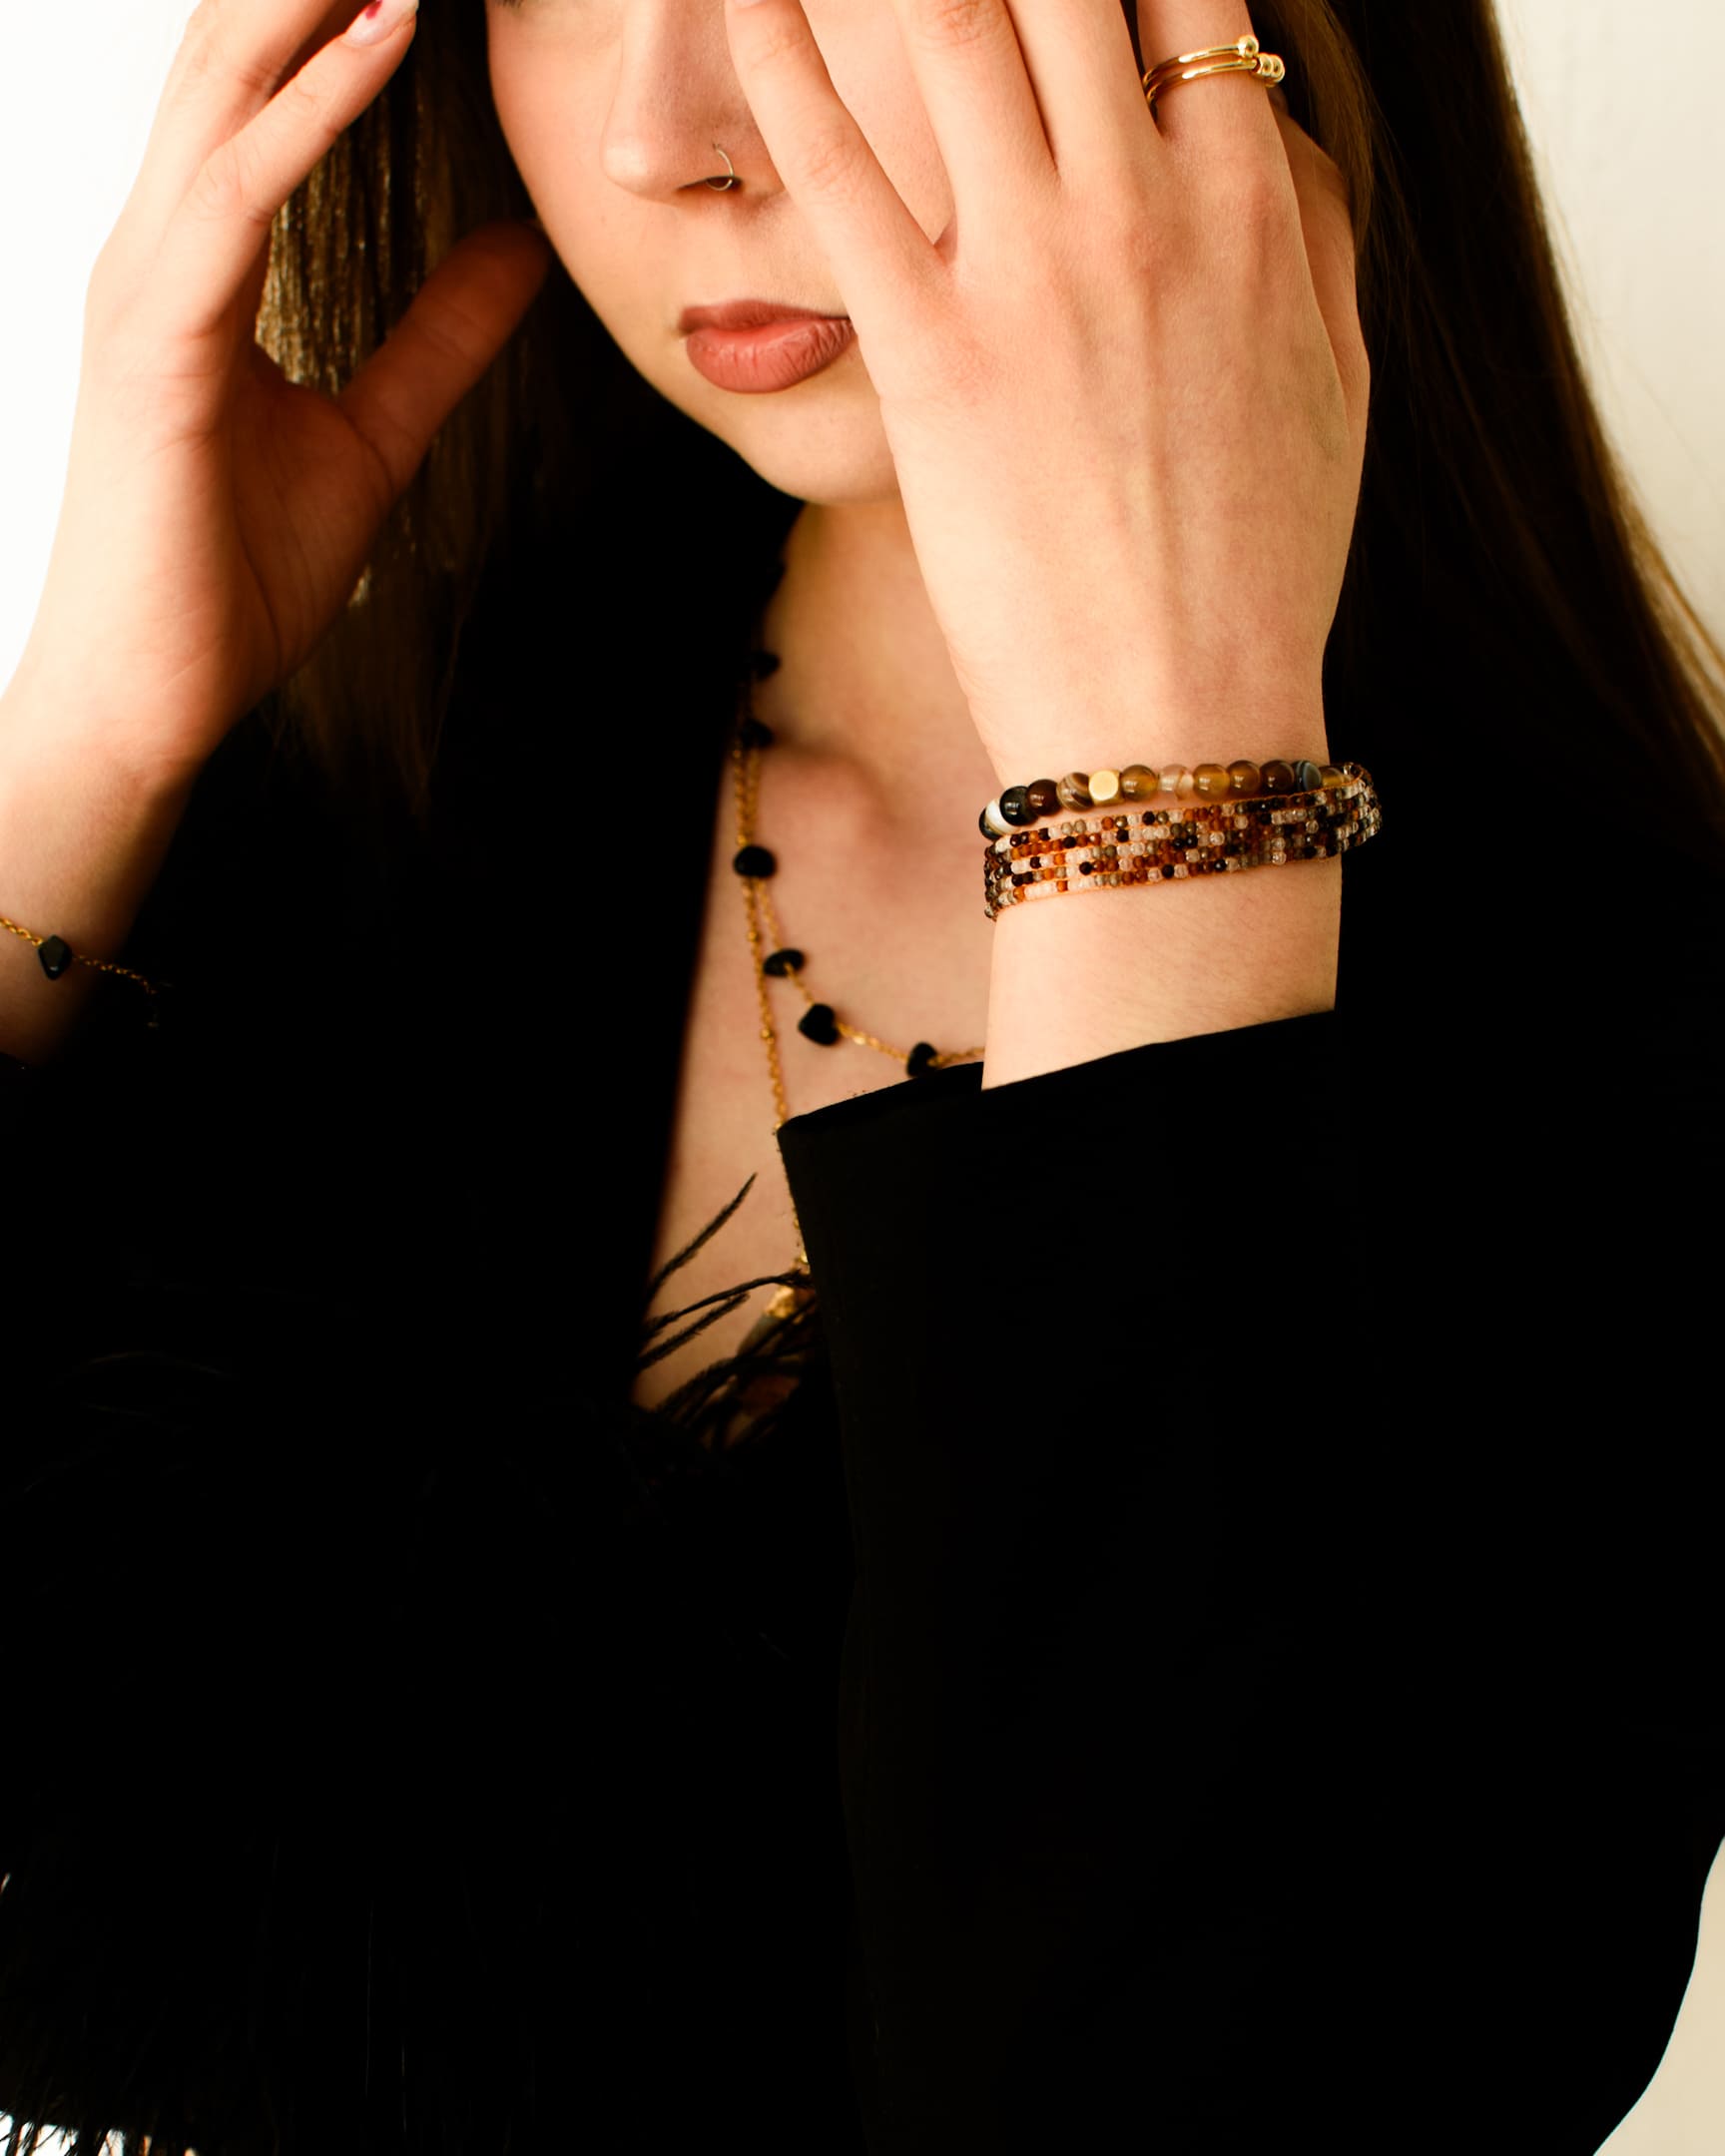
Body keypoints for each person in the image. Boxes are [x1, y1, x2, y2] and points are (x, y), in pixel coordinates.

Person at [2, 1, 1722, 2152]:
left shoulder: (1621, 1049)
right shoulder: (394, 767)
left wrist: (1168, 813)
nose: (664, 136)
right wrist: (85, 750)